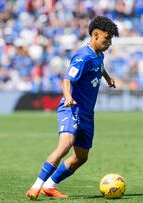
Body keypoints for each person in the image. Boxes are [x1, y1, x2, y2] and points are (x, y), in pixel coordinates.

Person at [26, 16, 119, 200]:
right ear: (95, 34)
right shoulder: (82, 56)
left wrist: (107, 78)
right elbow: (67, 79)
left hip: (87, 113)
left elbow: (99, 67)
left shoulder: (99, 55)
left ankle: (50, 186)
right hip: (72, 108)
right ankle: (36, 186)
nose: (109, 43)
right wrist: (68, 97)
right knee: (65, 146)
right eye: (106, 38)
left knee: (81, 157)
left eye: (110, 40)